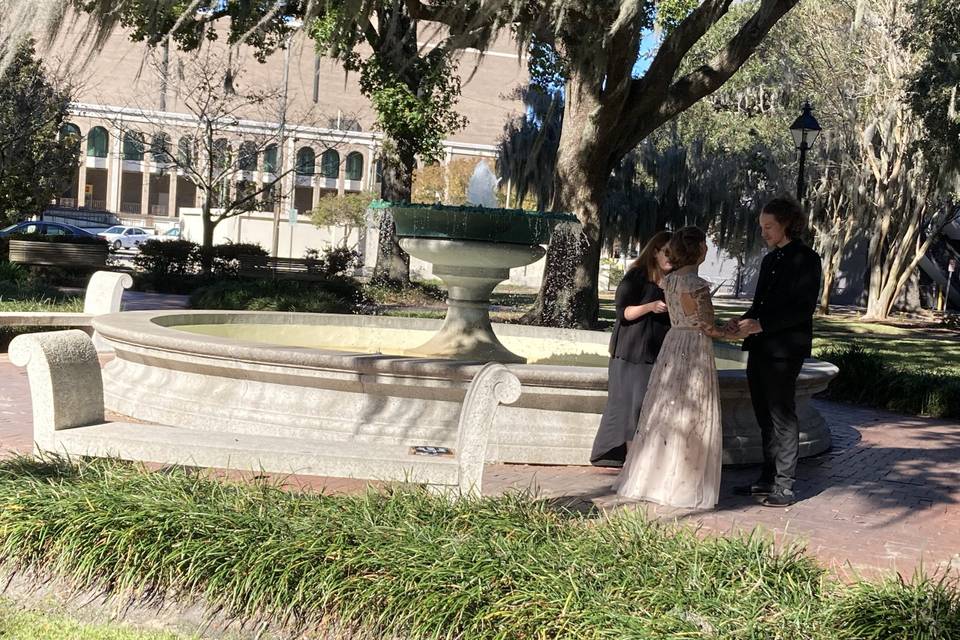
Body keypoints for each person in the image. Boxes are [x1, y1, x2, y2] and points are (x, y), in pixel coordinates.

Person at [614, 227, 734, 509]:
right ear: (699, 250)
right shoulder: (697, 284)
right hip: (694, 347)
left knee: (664, 410)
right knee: (691, 415)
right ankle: (682, 482)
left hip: (673, 343)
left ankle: (652, 478)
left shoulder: (669, 282)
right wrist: (731, 331)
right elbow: (705, 326)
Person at [728, 197, 822, 508]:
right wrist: (742, 322)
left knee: (782, 415)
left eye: (769, 227)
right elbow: (760, 306)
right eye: (762, 227)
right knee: (762, 416)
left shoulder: (808, 260)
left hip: (785, 352)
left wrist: (760, 324)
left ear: (786, 224)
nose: (764, 232)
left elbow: (801, 310)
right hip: (759, 349)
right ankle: (766, 478)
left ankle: (785, 485)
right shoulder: (769, 261)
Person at [591, 231, 673, 466]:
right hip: (631, 350)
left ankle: (640, 457)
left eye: (674, 254)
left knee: (645, 405)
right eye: (667, 252)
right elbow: (623, 313)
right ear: (655, 251)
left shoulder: (673, 280)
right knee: (629, 406)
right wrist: (649, 306)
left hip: (656, 351)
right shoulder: (637, 276)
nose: (671, 258)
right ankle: (627, 458)